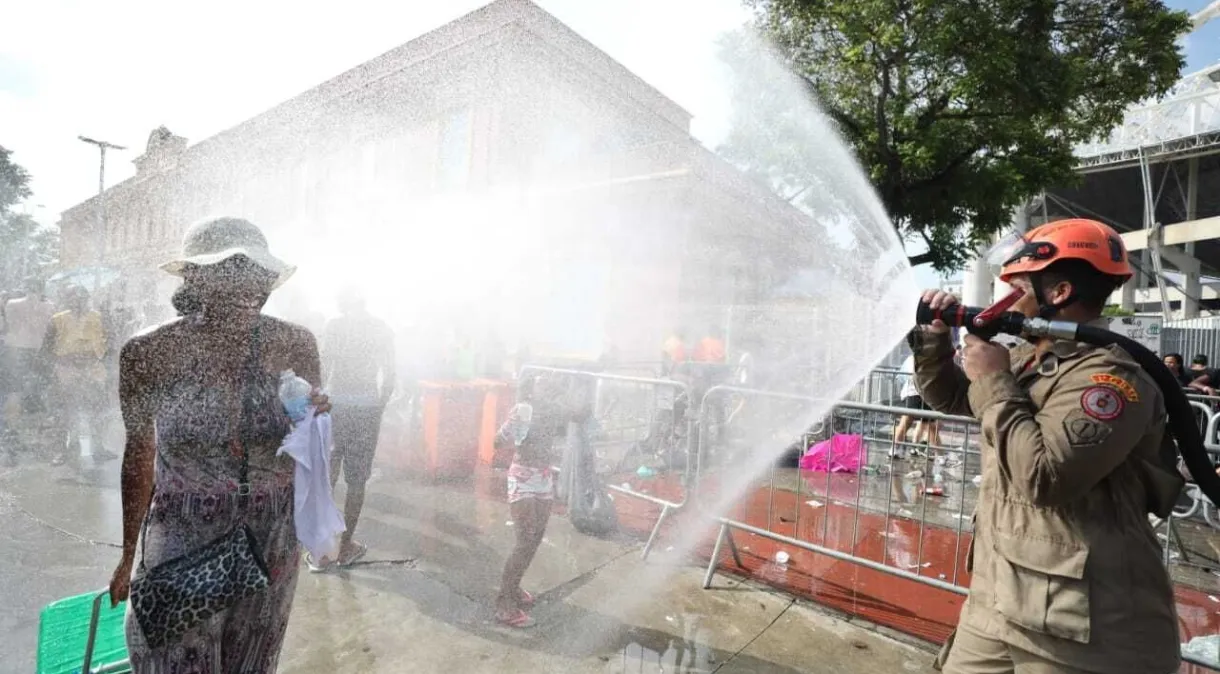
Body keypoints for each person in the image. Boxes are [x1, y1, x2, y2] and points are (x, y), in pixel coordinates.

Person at [914, 218, 1183, 674]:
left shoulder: (1110, 380)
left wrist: (993, 378)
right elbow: (956, 399)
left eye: (1016, 288)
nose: (1005, 301)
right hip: (996, 600)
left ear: (1058, 293)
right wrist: (935, 341)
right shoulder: (1032, 356)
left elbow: (1047, 477)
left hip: (1080, 631)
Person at [107, 216, 328, 672]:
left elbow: (305, 447)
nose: (250, 286)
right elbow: (139, 454)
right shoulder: (149, 352)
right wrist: (129, 555)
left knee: (251, 664)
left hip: (272, 536)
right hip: (184, 535)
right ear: (195, 276)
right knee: (172, 660)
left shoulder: (295, 343)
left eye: (258, 274)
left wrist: (314, 419)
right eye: (231, 271)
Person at [307, 286, 395, 571]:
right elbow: (390, 376)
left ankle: (321, 552)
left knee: (328, 475)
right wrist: (376, 409)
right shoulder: (381, 328)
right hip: (366, 408)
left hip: (336, 408)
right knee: (357, 481)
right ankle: (345, 548)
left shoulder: (334, 326)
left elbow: (321, 370)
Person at [492, 373, 588, 628]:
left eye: (552, 381)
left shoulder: (555, 408)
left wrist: (574, 388)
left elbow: (580, 414)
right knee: (524, 542)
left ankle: (513, 588)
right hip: (523, 478)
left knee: (535, 539)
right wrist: (515, 427)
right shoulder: (524, 410)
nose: (550, 383)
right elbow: (497, 442)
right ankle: (504, 604)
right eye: (543, 381)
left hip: (543, 479)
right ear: (533, 389)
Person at [43, 285, 115, 466]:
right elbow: (46, 349)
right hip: (66, 370)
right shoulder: (57, 320)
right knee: (64, 413)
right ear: (67, 300)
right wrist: (62, 361)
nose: (77, 301)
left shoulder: (99, 318)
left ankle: (98, 447)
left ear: (87, 299)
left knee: (98, 410)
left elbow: (112, 342)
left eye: (81, 297)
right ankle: (61, 450)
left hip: (93, 370)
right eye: (73, 297)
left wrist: (99, 359)